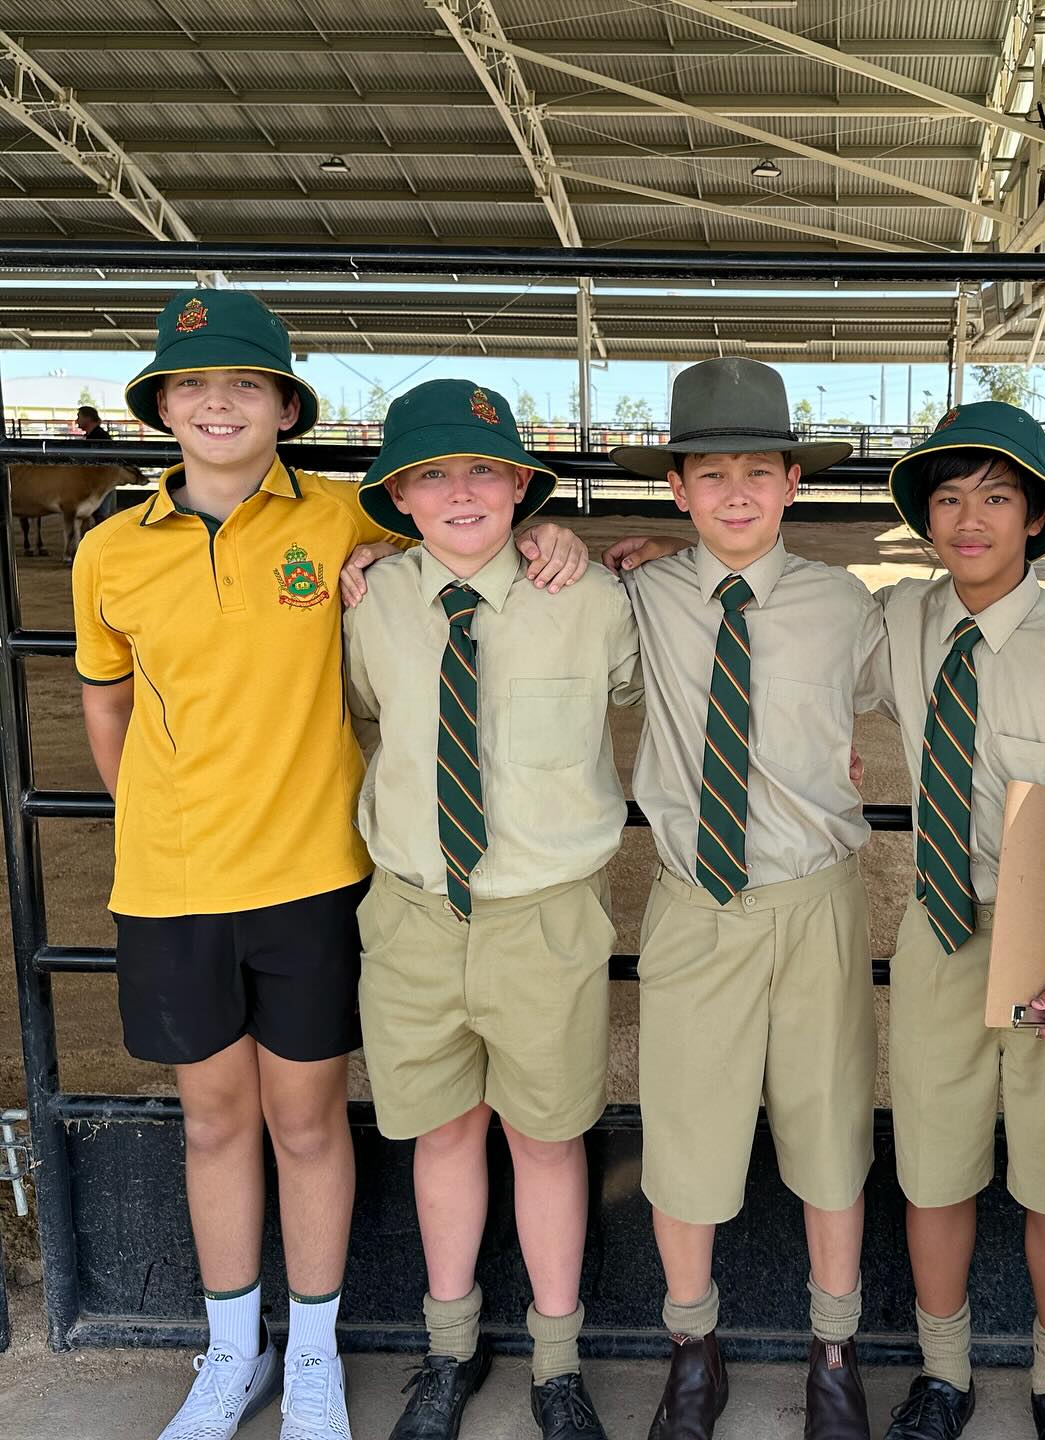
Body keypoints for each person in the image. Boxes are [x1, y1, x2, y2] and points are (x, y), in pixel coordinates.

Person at [71, 289, 587, 1440]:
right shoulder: (109, 552)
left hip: (309, 875)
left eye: (245, 386)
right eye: (195, 386)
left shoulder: (342, 523)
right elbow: (104, 710)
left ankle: (311, 1352)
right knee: (213, 1120)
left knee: (307, 1120)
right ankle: (226, 1352)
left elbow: (468, 528)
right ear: (160, 406)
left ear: (285, 408)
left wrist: (565, 533)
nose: (218, 403)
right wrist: (157, 817)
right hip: (170, 884)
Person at [344, 379, 638, 1440]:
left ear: (522, 484)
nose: (459, 492)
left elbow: (671, 648)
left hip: (543, 916)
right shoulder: (369, 602)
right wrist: (357, 568)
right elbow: (367, 713)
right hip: (417, 912)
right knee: (442, 1131)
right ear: (400, 499)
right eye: (431, 476)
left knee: (550, 1138)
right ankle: (450, 1346)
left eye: (482, 470)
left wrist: (623, 545)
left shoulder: (591, 598)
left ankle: (557, 1362)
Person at [604, 357, 891, 1440]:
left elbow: (938, 663)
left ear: (793, 484)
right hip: (694, 900)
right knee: (684, 1132)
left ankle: (835, 1343)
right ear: (676, 488)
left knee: (829, 1133)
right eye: (709, 472)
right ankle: (693, 1343)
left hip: (815, 899)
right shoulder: (639, 597)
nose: (734, 492)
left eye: (757, 472)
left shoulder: (843, 606)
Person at [876, 402, 1045, 1440]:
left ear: (1035, 517)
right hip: (940, 925)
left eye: (995, 495)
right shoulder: (901, 620)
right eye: (947, 498)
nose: (969, 518)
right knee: (933, 1168)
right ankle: (943, 1375)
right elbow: (787, 627)